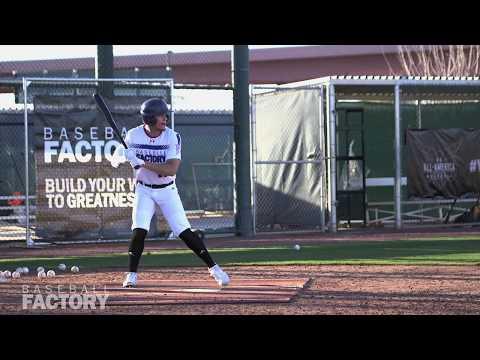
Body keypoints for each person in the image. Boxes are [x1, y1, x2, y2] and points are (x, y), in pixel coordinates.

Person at [112, 97, 230, 288]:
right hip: (144, 190)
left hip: (167, 190)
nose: (164, 118)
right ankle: (131, 274)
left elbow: (170, 169)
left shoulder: (172, 137)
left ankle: (215, 269)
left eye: (165, 114)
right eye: (160, 115)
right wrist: (118, 156)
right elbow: (118, 155)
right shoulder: (133, 135)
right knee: (139, 230)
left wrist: (141, 162)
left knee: (184, 231)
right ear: (149, 118)